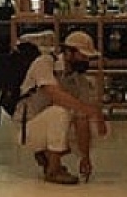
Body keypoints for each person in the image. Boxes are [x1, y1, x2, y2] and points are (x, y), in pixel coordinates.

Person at [14, 29, 106, 184]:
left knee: (94, 127)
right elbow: (53, 93)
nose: (86, 62)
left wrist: (85, 158)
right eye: (82, 56)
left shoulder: (80, 81)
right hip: (27, 129)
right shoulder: (44, 63)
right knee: (60, 111)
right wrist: (90, 110)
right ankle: (53, 170)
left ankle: (48, 155)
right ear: (68, 53)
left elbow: (83, 117)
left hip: (51, 126)